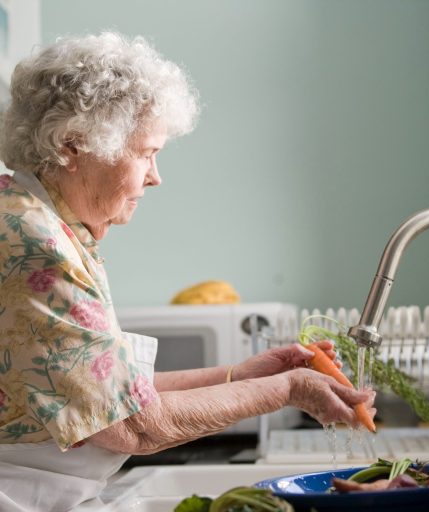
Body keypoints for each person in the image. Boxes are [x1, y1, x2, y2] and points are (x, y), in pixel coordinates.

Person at [0, 32, 375, 511]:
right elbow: (133, 423)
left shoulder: (35, 220)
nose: (156, 176)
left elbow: (108, 394)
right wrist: (287, 388)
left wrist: (242, 375)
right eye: (145, 152)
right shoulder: (36, 244)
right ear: (74, 146)